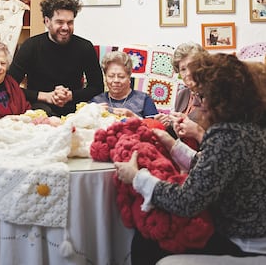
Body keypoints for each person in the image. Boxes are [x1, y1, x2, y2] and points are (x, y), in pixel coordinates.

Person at [114, 53, 266, 265]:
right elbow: (214, 169)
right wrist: (172, 144)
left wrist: (137, 177)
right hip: (253, 234)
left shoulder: (227, 135)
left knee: (146, 240)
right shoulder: (250, 128)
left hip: (244, 242)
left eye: (202, 96)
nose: (200, 103)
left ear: (219, 99)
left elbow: (186, 202)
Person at [8, 0, 104, 116]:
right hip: (39, 107)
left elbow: (97, 87)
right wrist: (45, 96)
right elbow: (9, 86)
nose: (65, 27)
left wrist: (70, 96)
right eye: (60, 22)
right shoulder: (31, 46)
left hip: (74, 107)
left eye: (70, 22)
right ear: (47, 21)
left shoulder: (85, 47)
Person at [155, 42, 207, 146]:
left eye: (193, 66)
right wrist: (167, 124)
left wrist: (197, 131)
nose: (188, 73)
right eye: (183, 69)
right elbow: (178, 135)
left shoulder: (214, 95)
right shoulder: (182, 94)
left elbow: (219, 144)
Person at [90, 51, 158, 118]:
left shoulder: (144, 99)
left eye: (121, 76)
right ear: (105, 77)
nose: (116, 80)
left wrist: (134, 117)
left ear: (129, 77)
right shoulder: (96, 102)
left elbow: (155, 126)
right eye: (111, 76)